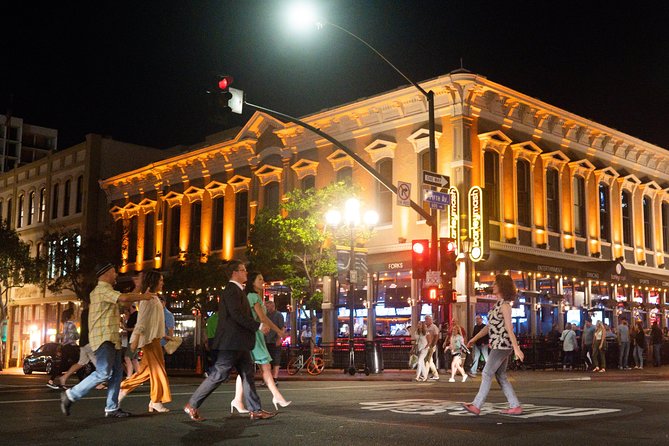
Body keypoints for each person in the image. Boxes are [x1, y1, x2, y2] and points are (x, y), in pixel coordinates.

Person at [184, 260, 274, 421]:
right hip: (231, 343)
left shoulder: (238, 290)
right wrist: (258, 326)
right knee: (219, 374)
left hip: (239, 343)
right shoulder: (232, 291)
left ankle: (256, 409)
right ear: (234, 273)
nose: (246, 273)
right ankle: (192, 404)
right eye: (243, 270)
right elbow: (237, 315)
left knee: (248, 374)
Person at [60, 262, 153, 417]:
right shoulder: (102, 290)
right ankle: (70, 395)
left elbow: (126, 302)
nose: (116, 275)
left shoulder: (108, 291)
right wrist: (144, 296)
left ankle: (111, 408)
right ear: (107, 273)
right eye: (114, 272)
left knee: (117, 373)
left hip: (111, 338)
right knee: (104, 373)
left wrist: (138, 288)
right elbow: (124, 298)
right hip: (103, 338)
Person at [463, 274, 525, 416]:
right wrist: (474, 338)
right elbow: (489, 327)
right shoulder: (498, 305)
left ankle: (476, 405)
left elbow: (509, 328)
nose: (493, 285)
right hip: (499, 345)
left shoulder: (505, 306)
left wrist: (517, 349)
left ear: (502, 286)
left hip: (502, 345)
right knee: (500, 375)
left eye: (496, 283)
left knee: (486, 372)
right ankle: (515, 406)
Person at [231, 272, 290, 412]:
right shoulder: (253, 297)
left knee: (246, 369)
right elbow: (263, 318)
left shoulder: (254, 297)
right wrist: (279, 331)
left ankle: (237, 400)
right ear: (253, 282)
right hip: (255, 335)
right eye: (260, 279)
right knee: (265, 366)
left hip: (255, 334)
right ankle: (276, 396)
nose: (263, 281)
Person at [119, 270, 173, 413]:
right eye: (160, 280)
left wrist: (164, 336)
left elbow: (153, 322)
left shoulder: (153, 298)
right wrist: (135, 340)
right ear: (154, 281)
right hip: (149, 341)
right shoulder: (147, 299)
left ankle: (123, 390)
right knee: (158, 371)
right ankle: (156, 401)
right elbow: (141, 322)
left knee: (145, 372)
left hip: (154, 339)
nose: (162, 283)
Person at [58, 302, 102, 388]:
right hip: (89, 342)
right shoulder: (92, 312)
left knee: (81, 363)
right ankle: (99, 383)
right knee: (98, 363)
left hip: (83, 341)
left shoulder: (85, 313)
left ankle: (64, 377)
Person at [47, 308, 79, 389]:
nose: (74, 315)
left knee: (63, 364)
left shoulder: (65, 324)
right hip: (71, 346)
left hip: (65, 346)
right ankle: (82, 382)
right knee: (79, 363)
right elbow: (73, 336)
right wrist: (77, 335)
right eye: (73, 314)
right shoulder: (72, 325)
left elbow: (64, 336)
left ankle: (51, 380)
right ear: (71, 315)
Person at [264, 300, 285, 382]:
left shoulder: (278, 315)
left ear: (273, 306)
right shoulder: (265, 315)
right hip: (266, 340)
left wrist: (279, 339)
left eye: (267, 306)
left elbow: (282, 328)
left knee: (276, 360)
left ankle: (275, 378)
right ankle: (268, 378)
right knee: (267, 360)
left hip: (274, 340)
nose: (266, 308)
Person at [123, 304, 140, 376]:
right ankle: (138, 377)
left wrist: (126, 329)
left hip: (134, 340)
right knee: (134, 359)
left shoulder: (136, 315)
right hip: (133, 339)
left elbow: (136, 328)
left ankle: (129, 377)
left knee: (127, 357)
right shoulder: (133, 315)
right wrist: (124, 321)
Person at [424, 315, 440, 380]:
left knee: (428, 360)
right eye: (425, 319)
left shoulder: (434, 327)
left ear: (430, 320)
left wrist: (434, 344)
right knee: (429, 360)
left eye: (427, 319)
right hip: (426, 345)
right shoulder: (425, 327)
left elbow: (436, 335)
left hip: (431, 345)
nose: (426, 321)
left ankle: (425, 374)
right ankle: (435, 374)